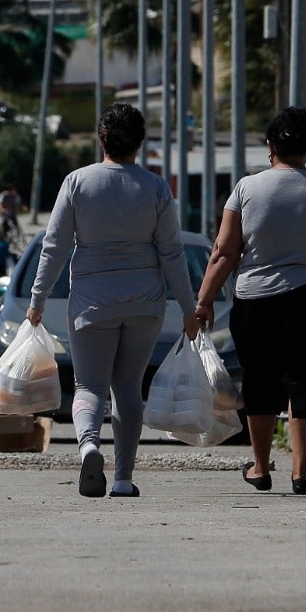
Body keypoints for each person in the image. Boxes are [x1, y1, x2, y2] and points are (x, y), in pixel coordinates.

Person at [194, 107, 306, 495]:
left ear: (270, 147)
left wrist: (204, 301)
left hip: (257, 300)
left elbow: (224, 252)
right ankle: (301, 473)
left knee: (260, 381)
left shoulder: (246, 189)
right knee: (305, 380)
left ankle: (260, 467)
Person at [28, 104, 200, 499]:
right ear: (140, 143)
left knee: (89, 385)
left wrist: (38, 298)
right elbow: (172, 252)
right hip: (145, 303)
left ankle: (89, 447)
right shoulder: (155, 187)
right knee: (128, 388)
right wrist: (189, 309)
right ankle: (123, 479)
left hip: (92, 302)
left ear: (101, 139)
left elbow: (55, 246)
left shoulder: (77, 182)